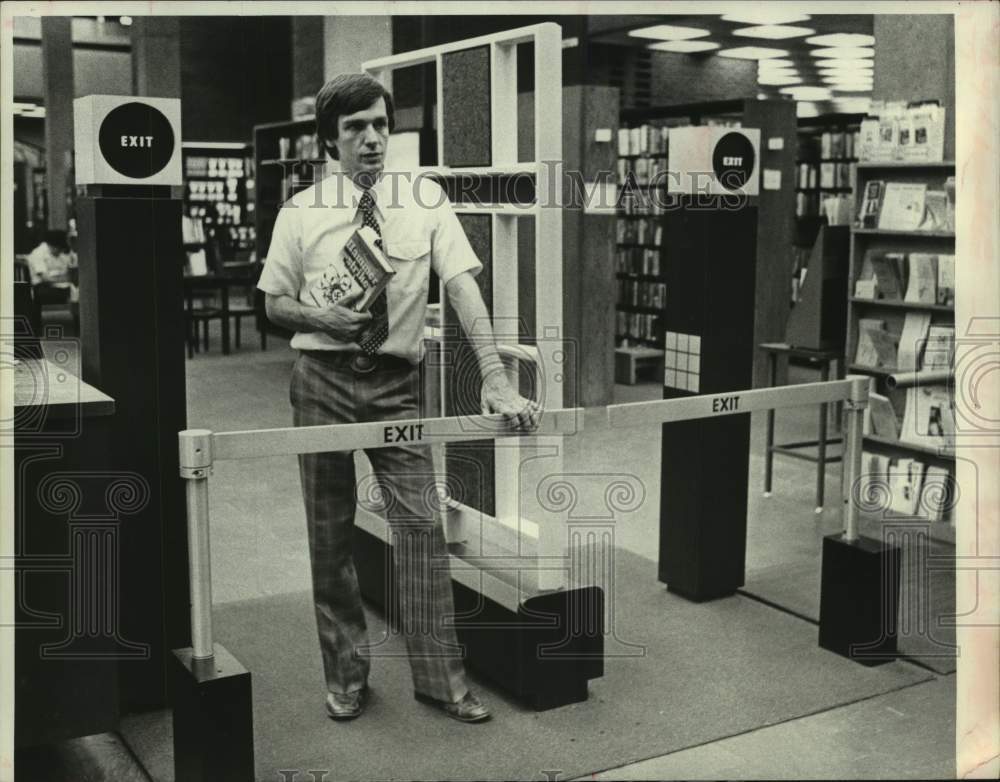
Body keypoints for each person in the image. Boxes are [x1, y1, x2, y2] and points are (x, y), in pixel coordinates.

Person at [258, 73, 540, 724]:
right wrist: (321, 319)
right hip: (322, 379)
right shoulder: (300, 210)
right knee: (329, 537)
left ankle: (442, 681)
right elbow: (273, 305)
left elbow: (465, 288)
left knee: (421, 528)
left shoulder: (425, 201)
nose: (372, 139)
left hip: (395, 385)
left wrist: (494, 378)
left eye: (381, 124)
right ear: (329, 139)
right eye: (355, 127)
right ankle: (347, 676)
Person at [26, 229, 80, 332]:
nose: (60, 252)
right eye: (59, 249)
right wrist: (64, 278)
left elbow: (69, 271)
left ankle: (78, 325)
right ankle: (77, 327)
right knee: (75, 294)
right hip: (43, 288)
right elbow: (45, 278)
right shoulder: (38, 253)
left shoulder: (60, 254)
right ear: (52, 245)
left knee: (79, 292)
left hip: (61, 285)